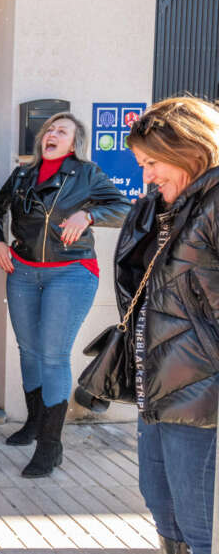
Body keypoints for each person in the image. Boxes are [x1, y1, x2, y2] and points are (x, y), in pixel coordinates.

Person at [0, 112, 129, 477]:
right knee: (29, 350)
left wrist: (89, 216)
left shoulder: (87, 174)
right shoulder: (22, 175)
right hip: (22, 271)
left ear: (73, 143)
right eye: (50, 129)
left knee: (52, 355)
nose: (52, 133)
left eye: (61, 131)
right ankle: (34, 424)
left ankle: (51, 446)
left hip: (70, 272)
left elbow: (125, 208)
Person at [115, 97, 219, 554]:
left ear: (190, 150)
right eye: (142, 165)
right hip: (157, 382)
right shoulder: (165, 208)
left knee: (201, 524)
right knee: (161, 500)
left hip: (202, 391)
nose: (147, 175)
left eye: (153, 163)